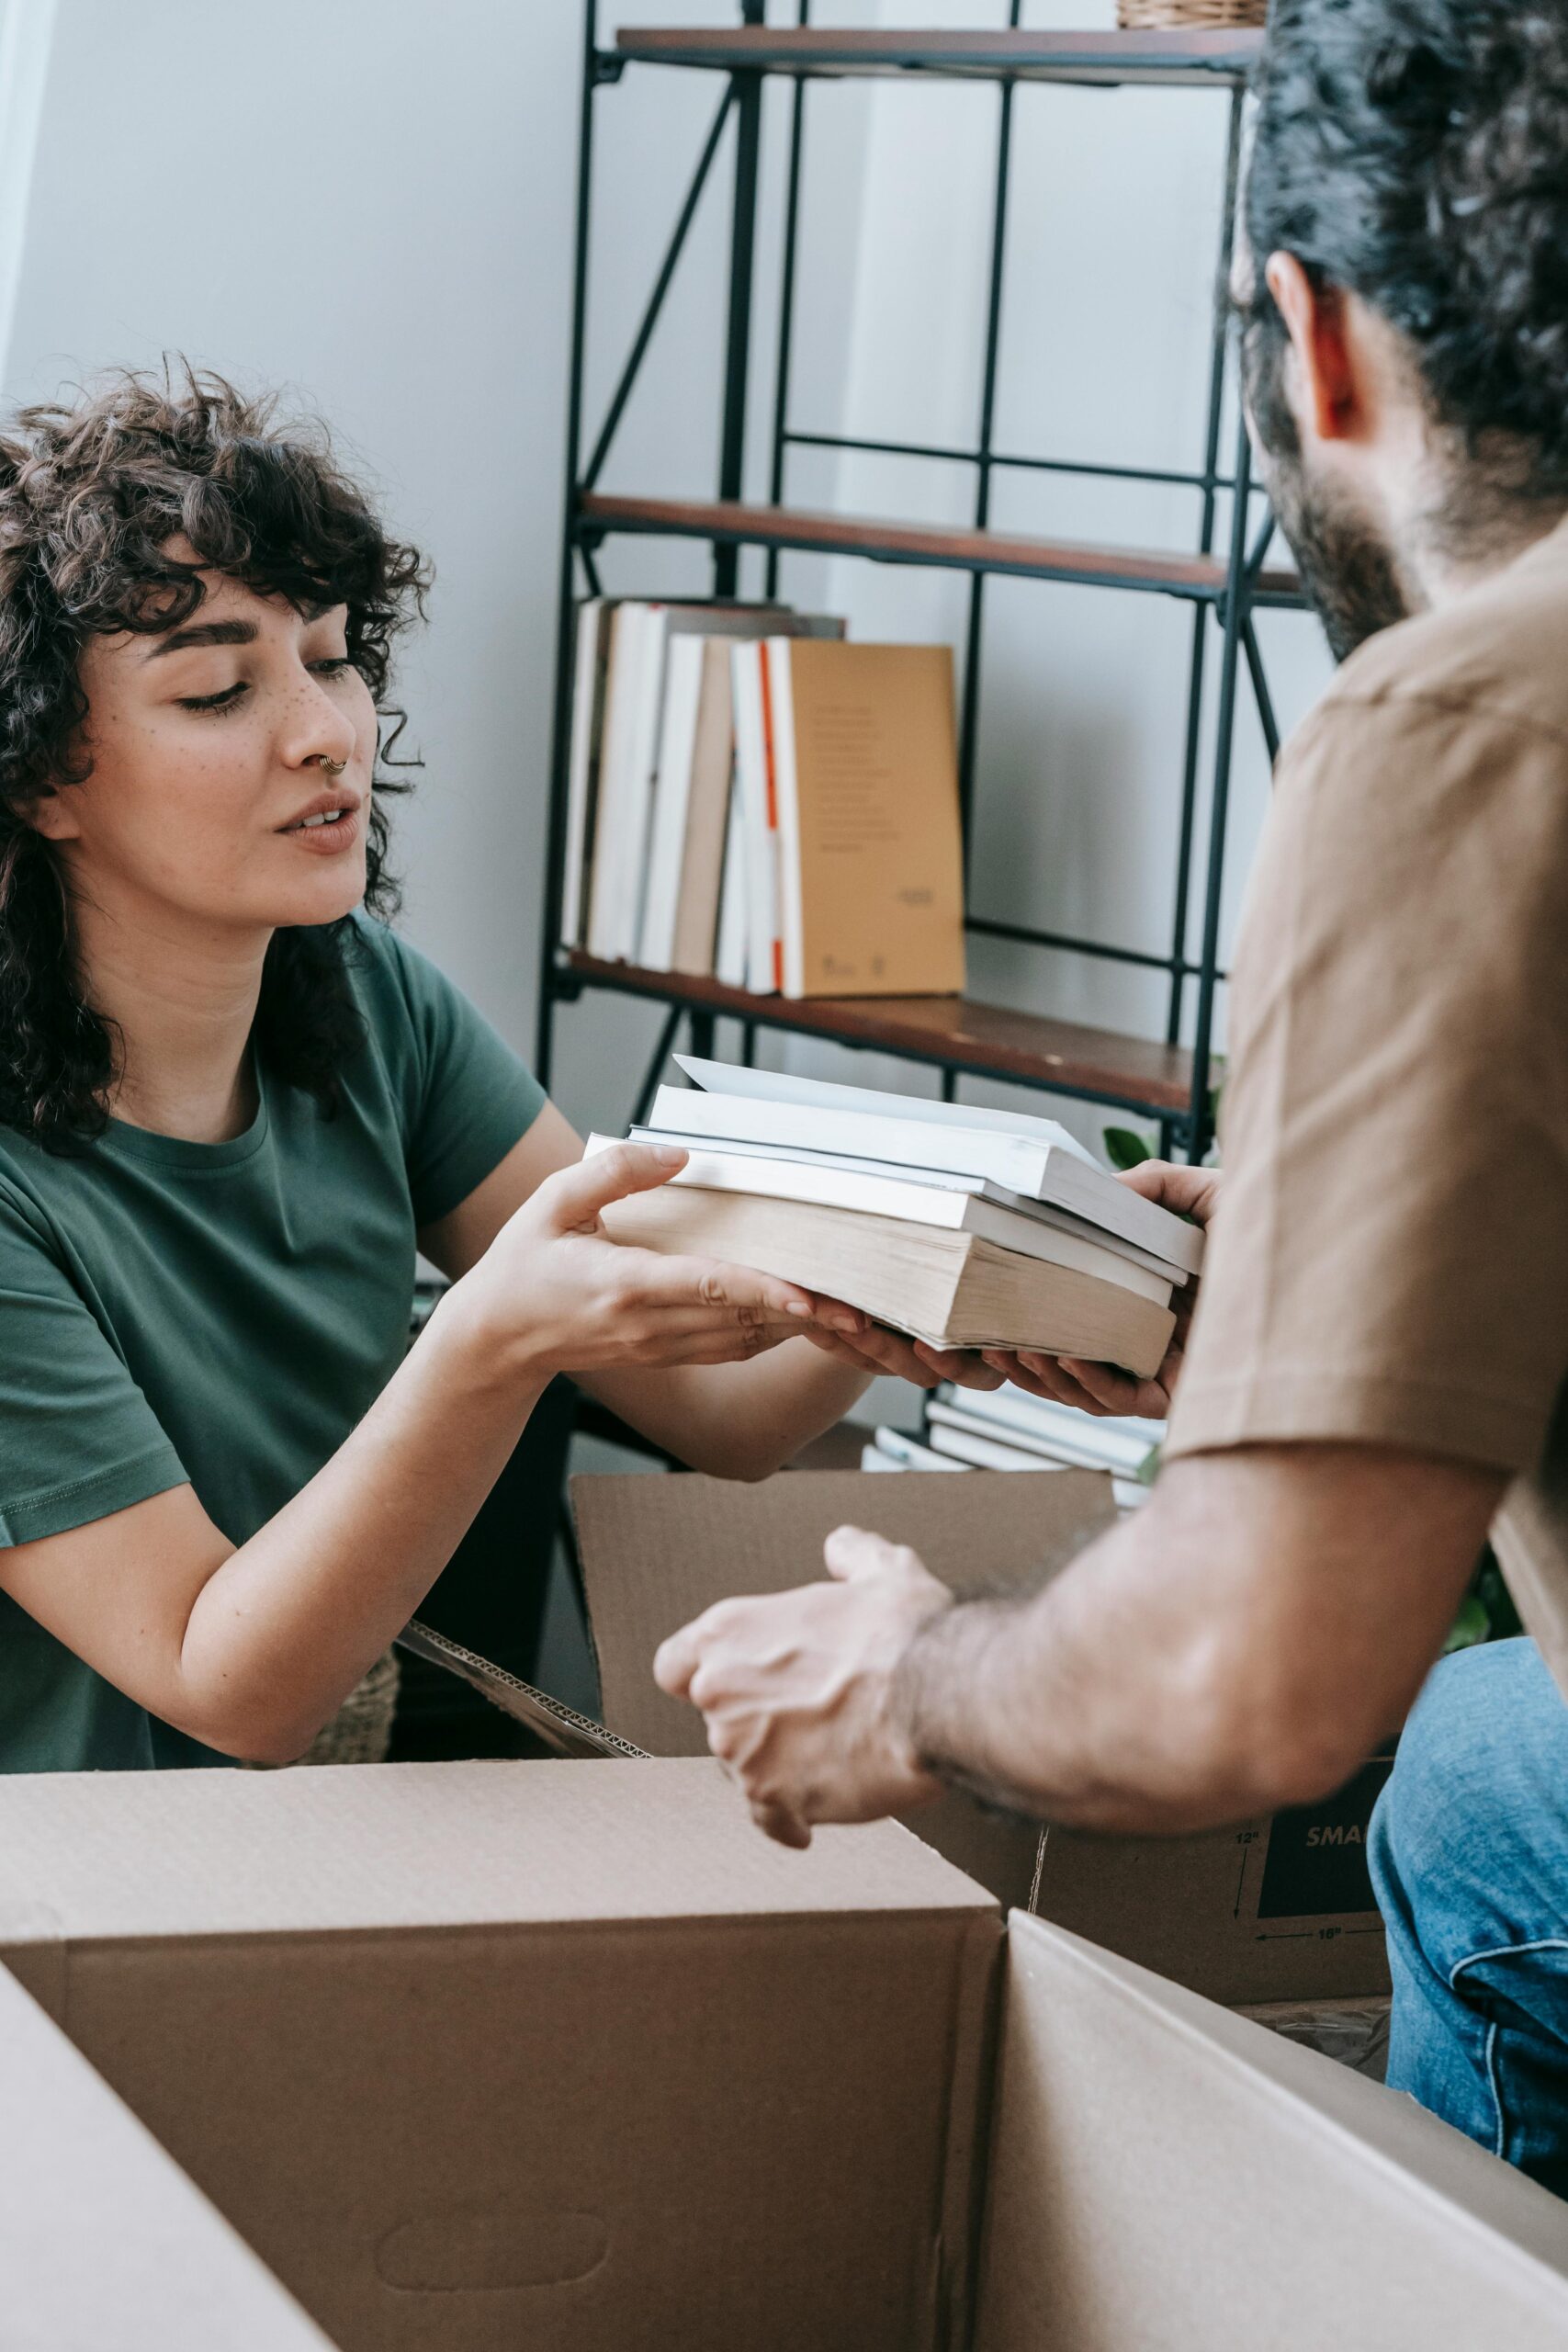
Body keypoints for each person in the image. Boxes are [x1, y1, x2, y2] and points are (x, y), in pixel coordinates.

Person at [657, 0, 1568, 2194]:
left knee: (1452, 1764)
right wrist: (1297, 1257)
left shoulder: (1460, 712)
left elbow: (1245, 1681)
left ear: (1316, 340)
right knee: (1487, 1746)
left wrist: (902, 1671)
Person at [0, 368, 1003, 1778]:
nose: (326, 730)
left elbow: (714, 1412)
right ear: (42, 775)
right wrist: (487, 1342)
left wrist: (965, 1267)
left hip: (303, 1867)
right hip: (59, 1916)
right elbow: (223, 1687)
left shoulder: (362, 1000)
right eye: (220, 688)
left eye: (334, 656)